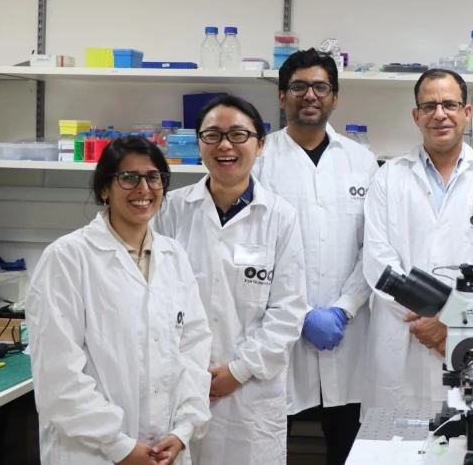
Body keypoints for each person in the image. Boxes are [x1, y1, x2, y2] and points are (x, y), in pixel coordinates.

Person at [28, 136, 212, 465]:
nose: (144, 188)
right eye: (129, 178)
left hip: (165, 449)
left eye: (153, 177)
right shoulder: (68, 258)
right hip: (91, 451)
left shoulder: (174, 256)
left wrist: (184, 430)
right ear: (104, 189)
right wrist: (118, 445)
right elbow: (57, 375)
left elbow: (194, 349)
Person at [153, 96, 307, 464]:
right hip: (179, 382)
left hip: (249, 392)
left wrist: (237, 371)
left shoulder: (280, 217)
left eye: (238, 134)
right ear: (199, 143)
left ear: (260, 144)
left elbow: (288, 310)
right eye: (213, 135)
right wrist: (188, 369)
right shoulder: (171, 209)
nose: (225, 145)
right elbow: (153, 297)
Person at [362, 68, 473, 412]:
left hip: (469, 339)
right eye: (429, 106)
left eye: (450, 104)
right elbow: (378, 261)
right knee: (392, 451)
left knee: (468, 443)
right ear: (416, 115)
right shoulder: (389, 177)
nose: (440, 114)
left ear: (467, 112)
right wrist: (428, 322)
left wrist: (450, 321)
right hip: (403, 335)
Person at [253, 49, 378, 465]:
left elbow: (374, 246)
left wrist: (344, 308)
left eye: (321, 87)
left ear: (335, 98)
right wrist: (301, 313)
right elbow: (253, 246)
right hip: (278, 332)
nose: (310, 95)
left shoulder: (361, 160)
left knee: (348, 447)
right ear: (282, 96)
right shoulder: (258, 160)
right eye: (299, 87)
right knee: (269, 443)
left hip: (349, 332)